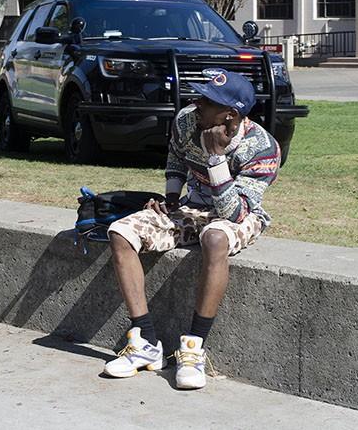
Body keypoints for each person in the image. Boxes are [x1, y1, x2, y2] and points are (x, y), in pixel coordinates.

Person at [102, 69, 280, 390]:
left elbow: (234, 212)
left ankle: (194, 347)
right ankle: (146, 342)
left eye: (207, 101)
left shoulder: (263, 148)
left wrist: (215, 158)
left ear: (231, 115)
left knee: (215, 238)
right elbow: (176, 154)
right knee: (120, 232)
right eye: (199, 96)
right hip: (191, 207)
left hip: (241, 214)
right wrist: (171, 198)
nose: (197, 103)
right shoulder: (187, 120)